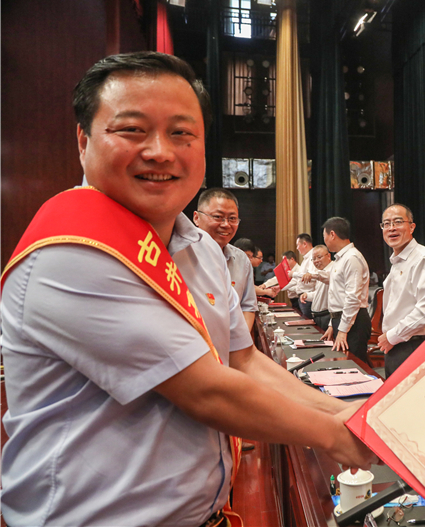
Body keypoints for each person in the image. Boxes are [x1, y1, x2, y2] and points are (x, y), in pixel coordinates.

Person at [0, 51, 375, 527]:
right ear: (83, 140)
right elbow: (206, 391)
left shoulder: (200, 248)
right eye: (132, 130)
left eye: (181, 133)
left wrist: (345, 413)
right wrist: (337, 435)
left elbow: (242, 360)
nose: (160, 152)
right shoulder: (71, 249)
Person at [376, 204, 425, 378]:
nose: (391, 228)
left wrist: (392, 336)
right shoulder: (397, 260)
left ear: (411, 227)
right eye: (386, 224)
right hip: (395, 344)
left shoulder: (423, 258)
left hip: (412, 346)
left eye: (398, 222)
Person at [193, 188, 259, 331]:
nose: (226, 224)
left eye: (232, 218)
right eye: (218, 217)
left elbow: (248, 306)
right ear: (196, 218)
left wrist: (239, 340)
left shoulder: (241, 260)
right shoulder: (181, 255)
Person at [317, 217, 371, 363]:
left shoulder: (352, 258)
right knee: (344, 364)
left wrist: (343, 330)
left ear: (332, 234)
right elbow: (337, 295)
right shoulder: (340, 258)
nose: (324, 241)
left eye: (324, 236)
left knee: (355, 366)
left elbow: (352, 298)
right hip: (342, 320)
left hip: (354, 321)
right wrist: (332, 324)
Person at [283, 233, 317, 318]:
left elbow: (311, 276)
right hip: (303, 297)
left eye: (298, 245)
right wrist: (280, 287)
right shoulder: (305, 259)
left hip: (308, 296)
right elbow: (298, 280)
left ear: (305, 244)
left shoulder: (313, 256)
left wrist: (293, 274)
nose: (297, 248)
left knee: (308, 323)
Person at [300, 245, 333, 330]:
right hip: (318, 316)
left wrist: (312, 275)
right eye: (314, 259)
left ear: (328, 256)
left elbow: (327, 276)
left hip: (327, 316)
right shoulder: (320, 271)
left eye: (319, 257)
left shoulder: (333, 268)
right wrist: (308, 295)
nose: (316, 261)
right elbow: (320, 294)